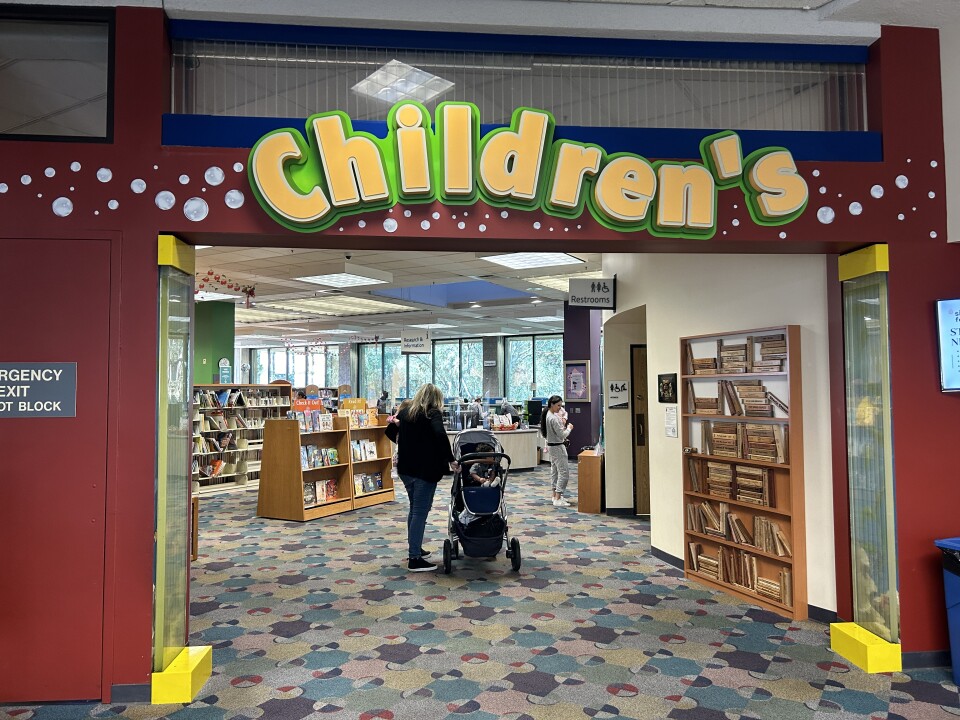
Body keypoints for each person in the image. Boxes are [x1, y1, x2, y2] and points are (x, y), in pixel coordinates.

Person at [385, 383, 459, 572]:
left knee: (414, 509)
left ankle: (415, 548)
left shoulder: (406, 411)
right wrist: (450, 460)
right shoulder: (432, 413)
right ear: (436, 399)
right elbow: (440, 435)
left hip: (406, 469)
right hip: (424, 470)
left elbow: (391, 433)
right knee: (420, 512)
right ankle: (414, 558)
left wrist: (411, 442)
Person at [540, 395, 573, 506]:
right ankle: (558, 497)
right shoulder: (553, 418)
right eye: (558, 405)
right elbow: (562, 434)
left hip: (552, 446)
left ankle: (555, 495)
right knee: (564, 472)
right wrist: (569, 428)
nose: (560, 408)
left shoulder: (548, 415)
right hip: (558, 447)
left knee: (554, 471)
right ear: (552, 404)